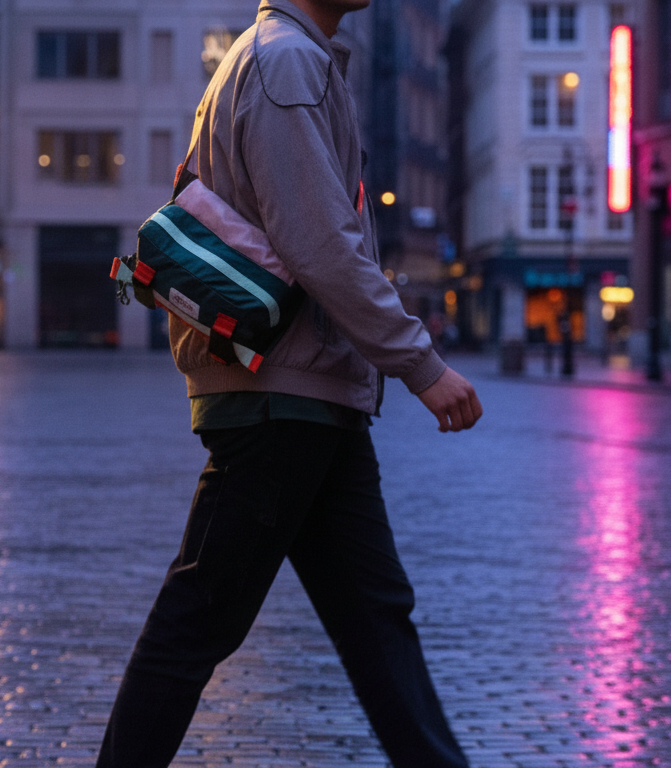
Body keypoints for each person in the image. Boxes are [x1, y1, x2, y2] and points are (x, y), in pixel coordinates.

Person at [95, 0, 483, 765]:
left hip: (310, 391)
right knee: (199, 618)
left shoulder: (295, 57)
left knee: (377, 621)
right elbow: (322, 245)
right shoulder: (287, 64)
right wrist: (420, 365)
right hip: (282, 397)